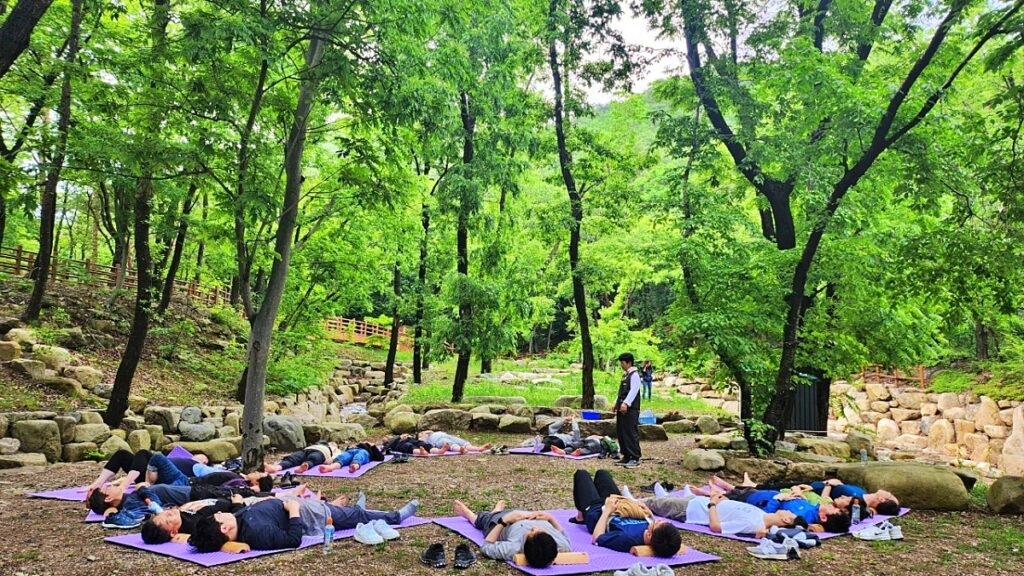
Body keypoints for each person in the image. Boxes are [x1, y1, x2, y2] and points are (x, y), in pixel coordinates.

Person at [188, 494, 419, 552]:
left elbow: (195, 537)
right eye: (219, 518)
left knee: (353, 512)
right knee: (355, 516)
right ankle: (396, 517)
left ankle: (359, 507)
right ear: (224, 529)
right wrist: (294, 511)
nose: (221, 513)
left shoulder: (237, 521)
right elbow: (292, 540)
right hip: (316, 515)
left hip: (309, 505)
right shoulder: (258, 533)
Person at [572, 470, 681, 557]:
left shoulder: (626, 539)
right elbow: (654, 525)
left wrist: (607, 511)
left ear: (649, 535)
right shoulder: (656, 534)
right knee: (602, 473)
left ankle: (581, 516)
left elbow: (597, 538)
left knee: (582, 474)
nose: (658, 520)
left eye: (657, 523)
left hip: (597, 514)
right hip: (618, 505)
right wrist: (647, 512)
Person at [696, 477, 851, 533]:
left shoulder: (802, 516)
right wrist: (798, 493)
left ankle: (710, 494)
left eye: (833, 510)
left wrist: (778, 499)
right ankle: (722, 490)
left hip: (757, 501)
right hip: (765, 494)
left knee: (737, 496)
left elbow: (764, 514)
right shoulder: (813, 508)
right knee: (743, 491)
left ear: (824, 517)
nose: (832, 505)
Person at [638, 485, 804, 537]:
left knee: (652, 503)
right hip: (700, 502)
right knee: (664, 501)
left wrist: (712, 504)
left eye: (790, 514)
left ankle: (633, 502)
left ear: (787, 521)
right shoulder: (761, 514)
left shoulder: (753, 524)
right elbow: (732, 507)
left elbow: (717, 527)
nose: (788, 511)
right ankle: (662, 498)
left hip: (692, 511)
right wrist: (720, 498)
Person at [450, 499, 571, 568]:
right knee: (502, 514)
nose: (535, 527)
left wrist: (504, 521)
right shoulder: (559, 545)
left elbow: (486, 546)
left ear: (525, 544)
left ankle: (472, 515)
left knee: (486, 519)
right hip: (523, 513)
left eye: (532, 532)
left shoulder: (514, 548)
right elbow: (563, 535)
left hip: (502, 522)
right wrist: (550, 518)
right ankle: (496, 511)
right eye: (541, 531)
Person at [614, 352, 642, 468]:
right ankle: (626, 455)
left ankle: (635, 457)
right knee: (621, 432)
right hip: (622, 408)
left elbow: (633, 391)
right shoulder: (625, 375)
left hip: (631, 409)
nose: (621, 365)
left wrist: (626, 403)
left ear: (628, 362)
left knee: (630, 432)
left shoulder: (634, 375)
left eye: (622, 363)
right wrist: (616, 403)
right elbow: (621, 392)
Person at [264, 442, 341, 473]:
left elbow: (337, 456)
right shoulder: (320, 443)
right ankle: (276, 468)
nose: (333, 443)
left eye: (334, 443)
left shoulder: (336, 449)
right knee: (293, 458)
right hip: (306, 450)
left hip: (322, 453)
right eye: (331, 442)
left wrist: (330, 460)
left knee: (313, 458)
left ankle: (305, 465)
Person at [318, 443, 385, 473]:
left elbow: (381, 458)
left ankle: (354, 466)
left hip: (364, 452)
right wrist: (350, 447)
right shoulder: (358, 445)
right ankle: (330, 467)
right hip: (351, 451)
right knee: (343, 457)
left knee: (359, 456)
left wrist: (373, 446)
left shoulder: (372, 448)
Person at [417, 431, 492, 454]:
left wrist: (426, 431)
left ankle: (479, 448)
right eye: (421, 433)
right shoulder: (423, 439)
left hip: (448, 435)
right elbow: (421, 442)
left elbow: (430, 431)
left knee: (463, 442)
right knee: (450, 443)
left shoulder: (432, 432)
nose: (423, 432)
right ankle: (460, 449)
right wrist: (422, 435)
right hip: (438, 440)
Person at [382, 434, 450, 455]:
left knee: (422, 444)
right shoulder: (388, 444)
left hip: (410, 440)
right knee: (409, 446)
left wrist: (409, 436)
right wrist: (399, 438)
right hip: (401, 444)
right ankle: (421, 452)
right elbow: (385, 448)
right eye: (386, 437)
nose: (387, 436)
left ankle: (439, 451)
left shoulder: (395, 437)